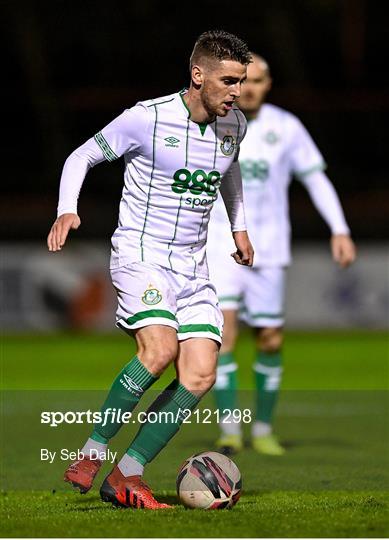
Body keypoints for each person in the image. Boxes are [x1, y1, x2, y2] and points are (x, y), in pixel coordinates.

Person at [47, 30, 253, 509]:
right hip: (143, 255)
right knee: (158, 351)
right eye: (227, 80)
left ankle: (127, 473)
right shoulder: (146, 118)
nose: (236, 92)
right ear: (197, 75)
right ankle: (92, 451)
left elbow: (230, 172)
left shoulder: (234, 125)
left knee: (200, 374)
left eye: (240, 82)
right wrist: (65, 208)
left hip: (194, 266)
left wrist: (239, 228)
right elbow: (82, 155)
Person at [207, 54, 356, 456]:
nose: (249, 87)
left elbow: (316, 179)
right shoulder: (212, 121)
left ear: (269, 84)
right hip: (219, 244)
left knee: (270, 339)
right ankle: (230, 431)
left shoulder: (286, 127)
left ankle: (265, 429)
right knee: (223, 337)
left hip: (269, 250)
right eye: (242, 80)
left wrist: (339, 228)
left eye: (257, 80)